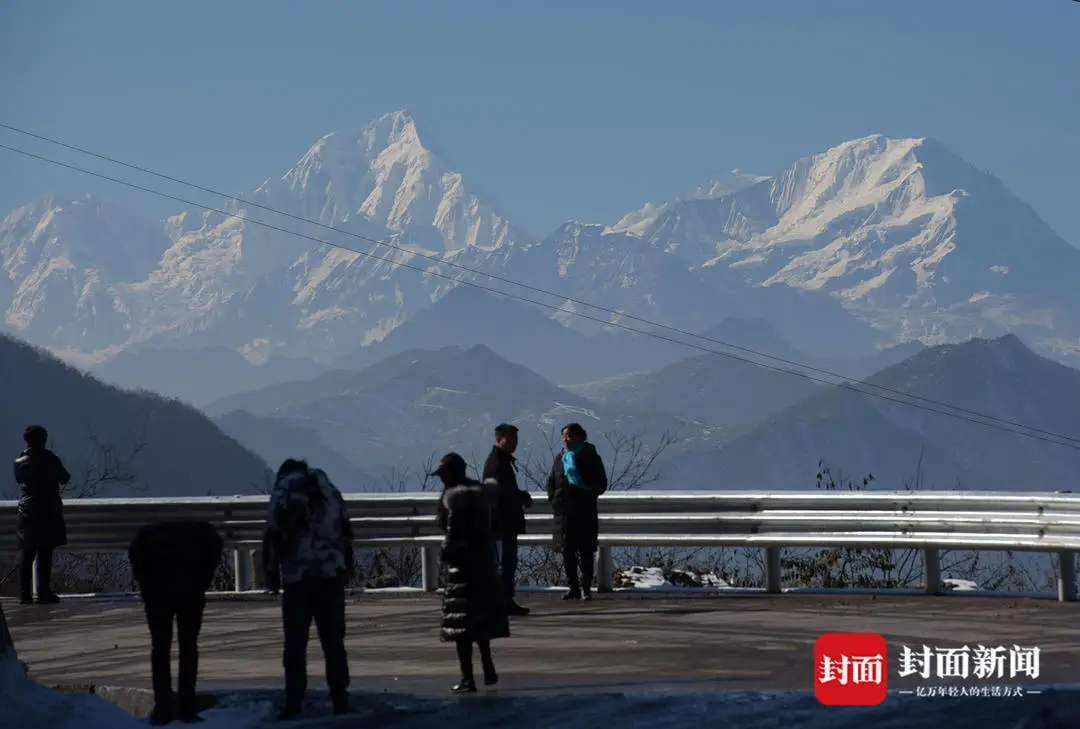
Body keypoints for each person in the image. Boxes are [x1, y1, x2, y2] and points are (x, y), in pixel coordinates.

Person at [263, 459, 355, 720]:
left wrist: (271, 575)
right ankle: (340, 698)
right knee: (334, 642)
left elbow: (273, 532)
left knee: (295, 644)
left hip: (299, 577)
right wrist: (346, 566)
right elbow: (346, 527)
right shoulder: (329, 489)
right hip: (331, 576)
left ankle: (294, 702)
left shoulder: (284, 490)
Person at [128, 520, 224, 726]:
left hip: (159, 589)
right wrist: (202, 582)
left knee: (160, 647)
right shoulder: (203, 535)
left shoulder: (146, 537)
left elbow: (137, 560)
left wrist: (147, 587)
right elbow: (213, 553)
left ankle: (163, 707)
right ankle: (187, 706)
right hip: (189, 588)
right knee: (188, 645)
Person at [433, 452, 509, 693]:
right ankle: (488, 668)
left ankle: (468, 677)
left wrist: (445, 556)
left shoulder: (456, 500)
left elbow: (452, 536)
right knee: (482, 620)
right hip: (484, 566)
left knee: (461, 626)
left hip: (463, 569)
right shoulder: (483, 496)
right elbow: (497, 527)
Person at [546, 423, 608, 601]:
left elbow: (601, 483)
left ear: (580, 437)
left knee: (586, 551)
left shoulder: (590, 457)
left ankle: (586, 587)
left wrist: (586, 492)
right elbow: (551, 481)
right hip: (564, 513)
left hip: (584, 511)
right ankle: (573, 587)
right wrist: (554, 499)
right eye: (564, 436)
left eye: (569, 436)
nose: (565, 439)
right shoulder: (560, 458)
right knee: (567, 551)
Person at [14, 425, 71, 605]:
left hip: (27, 511)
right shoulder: (51, 459)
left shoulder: (19, 462)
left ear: (26, 441)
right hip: (49, 511)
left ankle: (24, 594)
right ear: (44, 440)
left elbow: (19, 480)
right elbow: (65, 478)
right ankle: (44, 592)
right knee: (45, 553)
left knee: (27, 552)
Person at [482, 423, 532, 616]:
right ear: (498, 440)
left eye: (516, 440)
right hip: (501, 522)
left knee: (506, 564)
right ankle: (503, 602)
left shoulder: (501, 461)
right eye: (510, 440)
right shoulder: (497, 463)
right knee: (506, 564)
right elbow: (500, 493)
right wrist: (521, 497)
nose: (514, 444)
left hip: (503, 521)